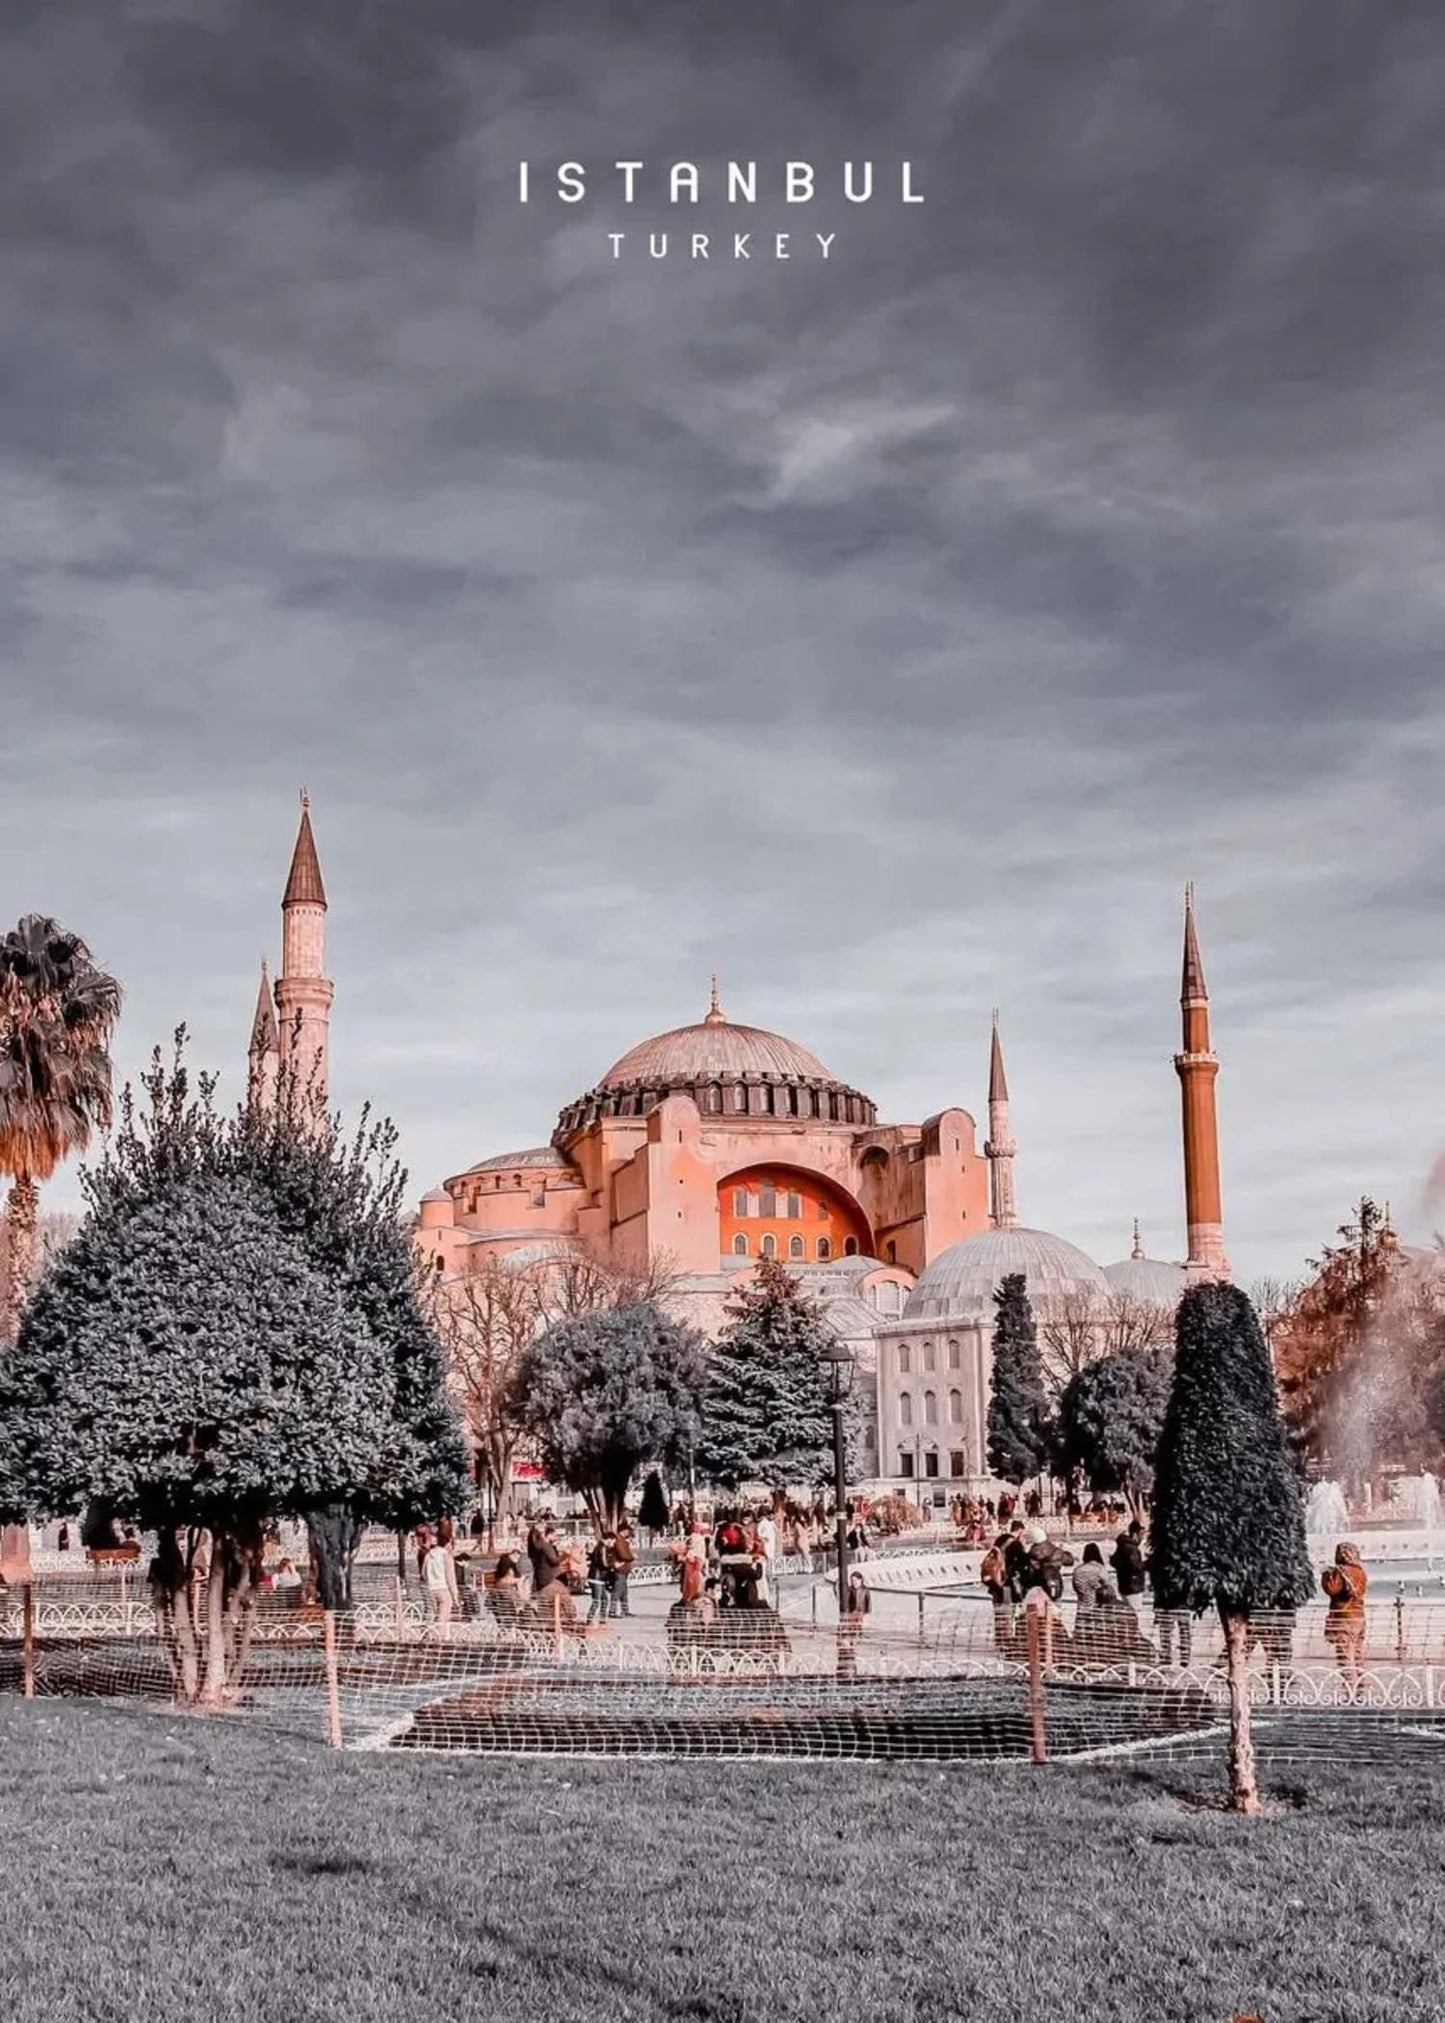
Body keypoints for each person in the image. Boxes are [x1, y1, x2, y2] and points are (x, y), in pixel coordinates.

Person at [1322, 1541, 1368, 1685]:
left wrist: (1325, 1575)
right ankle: (1360, 1686)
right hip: (1359, 1617)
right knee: (1357, 1654)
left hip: (1344, 1618)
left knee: (1345, 1656)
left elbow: (1332, 1589)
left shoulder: (1341, 1571)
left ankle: (1351, 1689)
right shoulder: (1361, 1571)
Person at [420, 1530, 455, 1632]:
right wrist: (455, 1595)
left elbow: (423, 1573)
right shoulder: (446, 1556)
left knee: (432, 1616)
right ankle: (439, 1639)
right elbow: (450, 1577)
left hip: (430, 1589)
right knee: (442, 1618)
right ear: (448, 1543)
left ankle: (428, 1636)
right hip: (443, 1589)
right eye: (451, 1544)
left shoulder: (429, 1555)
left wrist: (431, 1580)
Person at [1111, 1522, 1148, 1611]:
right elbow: (1136, 1567)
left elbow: (1113, 1561)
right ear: (1135, 1534)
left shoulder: (1122, 1546)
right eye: (1141, 1534)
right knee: (1135, 1612)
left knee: (1128, 1613)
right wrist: (1148, 1564)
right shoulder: (1132, 1549)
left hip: (1124, 1585)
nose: (1142, 1538)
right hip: (1133, 1587)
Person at [1070, 1542, 1116, 1610]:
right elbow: (1108, 1587)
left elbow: (1075, 1588)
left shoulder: (1077, 1570)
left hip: (1082, 1608)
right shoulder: (1099, 1568)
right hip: (1096, 1608)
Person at [586, 1532, 616, 1624]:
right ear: (609, 1539)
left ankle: (602, 1619)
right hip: (597, 1577)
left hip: (599, 1577)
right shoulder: (602, 1547)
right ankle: (590, 1618)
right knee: (597, 1600)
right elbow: (604, 1563)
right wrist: (612, 1566)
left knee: (604, 1599)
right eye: (613, 1542)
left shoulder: (599, 1546)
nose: (613, 1544)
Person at [609, 1522, 636, 1619]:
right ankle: (612, 1610)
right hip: (621, 1568)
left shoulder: (622, 1540)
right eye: (628, 1531)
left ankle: (625, 1610)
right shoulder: (619, 1541)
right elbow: (622, 1554)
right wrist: (631, 1557)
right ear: (623, 1531)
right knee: (618, 1590)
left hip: (624, 1569)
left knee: (623, 1591)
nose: (628, 1533)